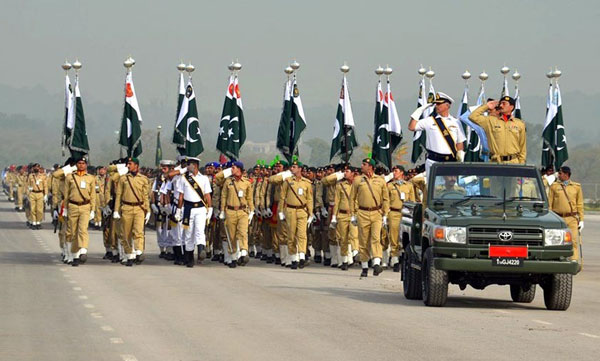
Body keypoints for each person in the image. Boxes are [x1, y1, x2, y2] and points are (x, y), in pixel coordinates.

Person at [408, 92, 466, 177]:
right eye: (436, 104)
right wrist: (420, 110)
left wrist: (460, 159)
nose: (436, 106)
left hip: (450, 161)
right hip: (433, 160)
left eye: (439, 104)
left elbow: (460, 142)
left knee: (450, 186)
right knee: (432, 187)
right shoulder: (429, 121)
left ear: (447, 105)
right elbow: (411, 127)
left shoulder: (456, 122)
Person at [349, 158, 390, 277]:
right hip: (362, 212)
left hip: (376, 212)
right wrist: (353, 214)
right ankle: (365, 266)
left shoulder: (380, 180)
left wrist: (385, 214)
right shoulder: (358, 180)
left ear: (371, 167)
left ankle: (377, 263)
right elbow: (352, 198)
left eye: (364, 164)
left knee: (376, 238)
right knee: (363, 240)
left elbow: (385, 198)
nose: (362, 166)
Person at [176, 157, 212, 268]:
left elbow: (207, 195)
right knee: (188, 234)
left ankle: (201, 250)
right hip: (188, 208)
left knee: (199, 230)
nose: (187, 167)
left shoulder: (204, 178)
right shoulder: (184, 178)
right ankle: (189, 257)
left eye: (189, 164)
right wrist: (178, 209)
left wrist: (209, 208)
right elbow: (181, 196)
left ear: (195, 165)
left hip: (200, 208)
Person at [113, 157, 150, 267]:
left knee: (138, 231)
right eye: (128, 164)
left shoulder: (143, 179)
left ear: (136, 165)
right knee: (126, 233)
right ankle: (129, 254)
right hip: (126, 208)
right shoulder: (123, 178)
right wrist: (116, 210)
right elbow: (118, 195)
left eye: (130, 163)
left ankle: (139, 251)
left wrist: (148, 210)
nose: (128, 166)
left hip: (139, 208)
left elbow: (146, 196)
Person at [468, 96, 526, 164]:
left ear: (511, 107)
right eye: (500, 103)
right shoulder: (490, 121)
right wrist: (487, 106)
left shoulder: (519, 124)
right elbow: (472, 117)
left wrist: (522, 165)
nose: (501, 105)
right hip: (495, 162)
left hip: (513, 162)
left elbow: (522, 147)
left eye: (504, 104)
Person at [279, 160, 314, 269]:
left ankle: (302, 256)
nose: (292, 169)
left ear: (300, 169)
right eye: (292, 167)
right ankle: (293, 258)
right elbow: (282, 197)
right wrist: (281, 211)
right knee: (291, 235)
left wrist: (310, 213)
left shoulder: (307, 183)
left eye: (294, 167)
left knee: (302, 235)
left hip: (302, 210)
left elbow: (309, 199)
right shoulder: (287, 181)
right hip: (290, 210)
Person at [548, 166, 584, 269]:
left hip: (572, 218)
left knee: (573, 241)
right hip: (558, 218)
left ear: (566, 174)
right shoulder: (554, 186)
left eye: (560, 173)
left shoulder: (576, 187)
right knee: (556, 241)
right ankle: (556, 261)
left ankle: (573, 262)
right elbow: (550, 204)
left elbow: (580, 204)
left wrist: (581, 220)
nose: (558, 175)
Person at [64, 156, 96, 266]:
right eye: (79, 163)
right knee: (72, 232)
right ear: (76, 165)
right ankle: (72, 254)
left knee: (82, 230)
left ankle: (82, 251)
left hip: (85, 206)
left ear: (86, 165)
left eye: (83, 163)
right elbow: (66, 194)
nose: (81, 165)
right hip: (73, 205)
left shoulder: (91, 178)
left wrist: (93, 210)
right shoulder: (70, 177)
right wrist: (65, 208)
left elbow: (93, 196)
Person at [220, 161, 252, 267]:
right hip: (230, 211)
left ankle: (243, 252)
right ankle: (233, 256)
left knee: (243, 232)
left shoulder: (247, 182)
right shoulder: (228, 181)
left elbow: (249, 198)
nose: (231, 169)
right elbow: (224, 196)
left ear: (239, 169)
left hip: (242, 211)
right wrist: (222, 211)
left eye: (233, 167)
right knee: (231, 235)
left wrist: (252, 211)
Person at [386, 165, 416, 272]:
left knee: (405, 237)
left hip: (405, 214)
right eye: (393, 171)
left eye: (396, 171)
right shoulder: (389, 186)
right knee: (393, 236)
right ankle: (395, 260)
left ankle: (405, 258)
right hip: (393, 213)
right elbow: (386, 201)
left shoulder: (409, 186)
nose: (394, 173)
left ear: (402, 173)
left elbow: (412, 201)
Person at [330, 165, 358, 270]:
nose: (345, 173)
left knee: (353, 235)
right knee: (343, 238)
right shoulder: (340, 185)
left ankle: (356, 253)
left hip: (353, 214)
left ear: (353, 173)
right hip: (342, 215)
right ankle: (345, 260)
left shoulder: (358, 185)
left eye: (347, 171)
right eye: (345, 171)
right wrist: (334, 216)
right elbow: (337, 202)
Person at [26, 163, 47, 229]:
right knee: (32, 209)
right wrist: (28, 194)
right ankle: (34, 222)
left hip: (40, 193)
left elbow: (45, 186)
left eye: (38, 167)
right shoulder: (30, 176)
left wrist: (45, 195)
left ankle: (38, 222)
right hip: (32, 193)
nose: (36, 168)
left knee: (39, 210)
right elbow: (28, 185)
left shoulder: (43, 176)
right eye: (35, 167)